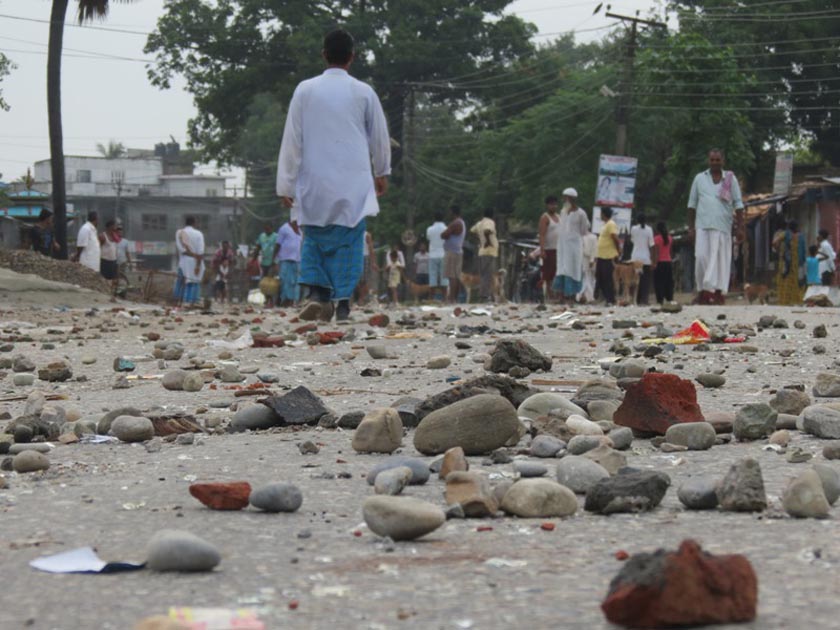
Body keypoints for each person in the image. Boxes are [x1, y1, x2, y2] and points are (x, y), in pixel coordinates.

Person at [276, 28, 391, 323]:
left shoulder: (304, 90)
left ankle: (318, 295)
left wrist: (285, 184)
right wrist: (382, 171)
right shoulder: (364, 92)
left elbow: (292, 140)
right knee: (349, 242)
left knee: (314, 239)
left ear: (324, 54)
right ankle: (342, 305)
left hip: (314, 180)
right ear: (352, 57)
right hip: (353, 182)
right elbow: (380, 137)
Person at [687, 148, 745, 305]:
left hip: (722, 227)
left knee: (720, 262)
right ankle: (702, 292)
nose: (714, 163)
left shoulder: (730, 179)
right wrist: (691, 228)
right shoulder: (699, 178)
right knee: (701, 258)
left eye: (717, 160)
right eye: (712, 160)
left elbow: (738, 204)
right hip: (702, 226)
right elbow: (691, 205)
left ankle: (717, 294)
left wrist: (740, 227)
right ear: (708, 161)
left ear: (722, 161)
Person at [554, 188, 590, 303]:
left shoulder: (581, 213)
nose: (564, 200)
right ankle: (561, 296)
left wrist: (573, 236)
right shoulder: (563, 211)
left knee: (573, 269)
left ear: (571, 198)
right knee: (562, 268)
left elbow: (584, 230)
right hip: (562, 245)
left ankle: (572, 296)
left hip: (574, 246)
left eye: (565, 197)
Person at [772, 220, 806, 306]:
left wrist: (778, 250)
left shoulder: (785, 234)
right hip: (796, 263)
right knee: (796, 281)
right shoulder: (801, 237)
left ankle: (784, 300)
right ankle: (795, 300)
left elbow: (774, 242)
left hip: (786, 262)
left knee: (784, 279)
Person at [174, 216, 206, 306]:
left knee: (180, 282)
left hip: (184, 261)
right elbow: (200, 251)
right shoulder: (199, 234)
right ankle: (191, 302)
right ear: (194, 223)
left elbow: (180, 249)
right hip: (196, 261)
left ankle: (176, 301)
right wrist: (198, 266)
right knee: (194, 282)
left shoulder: (179, 232)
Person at [470, 208, 499, 302]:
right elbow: (487, 231)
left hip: (482, 251)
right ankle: (485, 295)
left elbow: (472, 231)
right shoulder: (490, 222)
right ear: (492, 215)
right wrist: (487, 241)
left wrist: (480, 239)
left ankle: (483, 295)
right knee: (488, 274)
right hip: (489, 251)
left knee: (483, 274)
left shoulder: (480, 223)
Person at [274, 220, 303, 305]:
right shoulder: (284, 228)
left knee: (296, 282)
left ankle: (293, 301)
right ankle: (284, 300)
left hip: (297, 260)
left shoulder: (300, 231)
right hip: (285, 259)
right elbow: (278, 244)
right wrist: (274, 259)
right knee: (285, 281)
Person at [595, 207, 621, 305]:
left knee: (608, 278)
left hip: (609, 256)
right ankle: (605, 298)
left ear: (604, 214)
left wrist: (618, 250)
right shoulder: (604, 225)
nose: (600, 215)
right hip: (601, 255)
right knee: (599, 277)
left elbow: (615, 238)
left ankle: (611, 299)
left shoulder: (611, 224)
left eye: (601, 213)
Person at [538, 195, 561, 301]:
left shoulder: (559, 217)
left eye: (555, 204)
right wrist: (542, 249)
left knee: (558, 272)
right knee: (548, 273)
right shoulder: (545, 218)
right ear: (547, 205)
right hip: (549, 249)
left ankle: (557, 294)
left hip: (559, 249)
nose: (554, 206)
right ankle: (549, 294)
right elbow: (542, 234)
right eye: (551, 204)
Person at [441, 205, 466, 303]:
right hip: (458, 251)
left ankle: (451, 298)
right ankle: (455, 298)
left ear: (453, 212)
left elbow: (444, 234)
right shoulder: (461, 222)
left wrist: (446, 233)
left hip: (452, 252)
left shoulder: (456, 223)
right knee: (456, 275)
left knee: (452, 276)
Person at [630, 213, 655, 305]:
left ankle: (635, 299)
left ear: (637, 220)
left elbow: (632, 240)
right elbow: (651, 244)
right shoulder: (649, 229)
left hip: (635, 257)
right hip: (645, 258)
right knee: (645, 280)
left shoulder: (633, 229)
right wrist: (652, 259)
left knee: (635, 279)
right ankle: (644, 300)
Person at [426, 212, 448, 299]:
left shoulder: (429, 229)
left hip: (433, 254)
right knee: (444, 277)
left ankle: (432, 297)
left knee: (433, 276)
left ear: (434, 218)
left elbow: (428, 238)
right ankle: (445, 297)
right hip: (443, 254)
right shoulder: (446, 228)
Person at [653, 221, 674, 304]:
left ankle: (660, 299)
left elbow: (656, 252)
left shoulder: (656, 239)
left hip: (660, 262)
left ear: (657, 229)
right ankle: (669, 298)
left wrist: (654, 263)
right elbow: (670, 251)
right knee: (668, 282)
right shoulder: (670, 238)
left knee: (659, 282)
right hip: (668, 262)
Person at [578, 229, 598, 303]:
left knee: (589, 278)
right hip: (582, 259)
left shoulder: (593, 237)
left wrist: (592, 260)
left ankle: (589, 297)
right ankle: (582, 296)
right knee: (584, 278)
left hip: (588, 259)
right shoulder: (580, 236)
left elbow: (594, 249)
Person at [100, 220, 120, 292]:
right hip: (105, 261)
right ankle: (104, 292)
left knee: (114, 280)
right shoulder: (102, 236)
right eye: (114, 226)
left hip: (113, 261)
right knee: (104, 279)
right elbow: (98, 248)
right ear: (110, 226)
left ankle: (111, 293)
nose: (116, 227)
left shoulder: (115, 236)